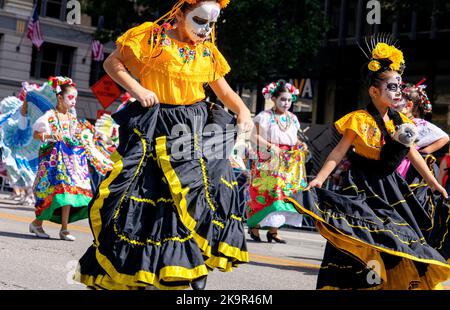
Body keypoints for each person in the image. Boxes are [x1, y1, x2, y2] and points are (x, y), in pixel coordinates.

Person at [75, 0, 253, 290]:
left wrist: (243, 111)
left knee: (202, 196)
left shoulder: (206, 51)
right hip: (156, 125)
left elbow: (225, 91)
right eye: (199, 20)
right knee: (148, 204)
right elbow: (112, 63)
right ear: (180, 13)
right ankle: (145, 270)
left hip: (195, 129)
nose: (205, 29)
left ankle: (194, 265)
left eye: (211, 24)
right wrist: (138, 89)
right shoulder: (153, 39)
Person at [286, 34, 450, 289]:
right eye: (392, 87)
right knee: (363, 235)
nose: (399, 92)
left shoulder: (402, 123)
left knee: (401, 238)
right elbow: (338, 153)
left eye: (400, 86)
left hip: (392, 187)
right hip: (362, 186)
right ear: (374, 91)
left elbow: (413, 154)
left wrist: (433, 183)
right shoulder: (359, 119)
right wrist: (318, 179)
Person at [29, 77, 93, 241]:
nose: (73, 102)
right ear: (59, 97)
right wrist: (50, 135)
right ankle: (37, 223)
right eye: (70, 97)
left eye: (75, 98)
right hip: (52, 163)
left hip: (69, 162)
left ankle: (64, 229)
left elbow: (77, 137)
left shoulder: (72, 119)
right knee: (52, 193)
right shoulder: (50, 116)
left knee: (68, 193)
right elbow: (36, 134)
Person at [246, 80, 308, 243]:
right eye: (282, 99)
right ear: (273, 99)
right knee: (266, 193)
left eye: (289, 100)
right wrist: (271, 146)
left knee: (284, 194)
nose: (286, 103)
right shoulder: (264, 116)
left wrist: (300, 144)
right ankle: (255, 227)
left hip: (288, 162)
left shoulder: (293, 118)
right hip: (270, 160)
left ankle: (273, 231)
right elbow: (254, 136)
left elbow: (293, 139)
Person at [395, 80, 449, 180]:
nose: (394, 103)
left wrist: (425, 151)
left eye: (398, 101)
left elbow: (444, 137)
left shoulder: (419, 123)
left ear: (409, 105)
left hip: (409, 166)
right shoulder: (392, 120)